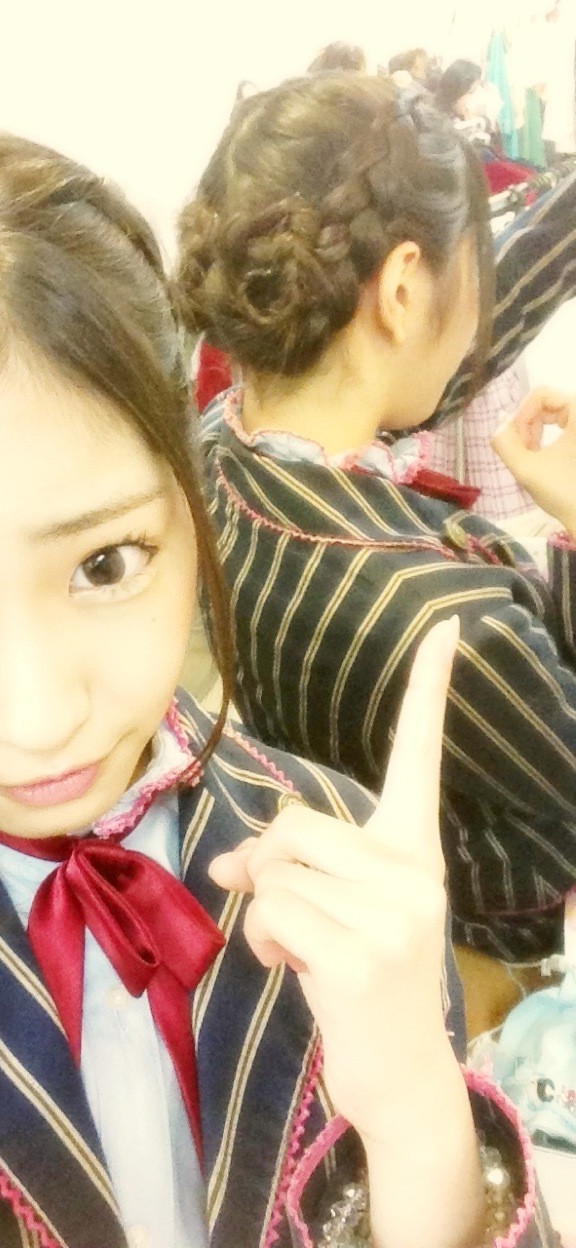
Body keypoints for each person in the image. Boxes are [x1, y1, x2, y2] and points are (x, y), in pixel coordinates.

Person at [0, 124, 540, 1248]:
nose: (41, 717)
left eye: (106, 564)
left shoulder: (341, 851)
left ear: (188, 497)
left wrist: (415, 1115)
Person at [175, 73, 576, 964]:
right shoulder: (456, 625)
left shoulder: (220, 453)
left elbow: (435, 360)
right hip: (487, 930)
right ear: (400, 289)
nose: (476, 316)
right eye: (471, 270)